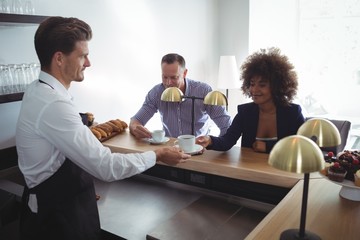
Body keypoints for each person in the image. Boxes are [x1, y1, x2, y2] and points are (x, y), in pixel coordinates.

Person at [15, 17, 190, 240]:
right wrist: (158, 155)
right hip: (57, 220)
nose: (88, 63)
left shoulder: (37, 89)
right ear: (59, 58)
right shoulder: (54, 104)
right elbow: (106, 167)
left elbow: (58, 158)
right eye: (82, 55)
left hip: (54, 206)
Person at [196, 47, 305, 153]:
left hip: (282, 170)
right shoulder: (245, 112)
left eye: (262, 85)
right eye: (252, 84)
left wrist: (268, 147)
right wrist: (209, 140)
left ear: (277, 87)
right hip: (249, 169)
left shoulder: (293, 113)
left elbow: (302, 146)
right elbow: (227, 141)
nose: (254, 89)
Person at [129, 53, 231, 139]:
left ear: (185, 73)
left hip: (200, 151)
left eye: (174, 77)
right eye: (164, 77)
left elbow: (227, 126)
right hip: (170, 152)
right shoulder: (156, 93)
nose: (168, 83)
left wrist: (215, 146)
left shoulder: (203, 91)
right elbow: (136, 121)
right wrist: (135, 127)